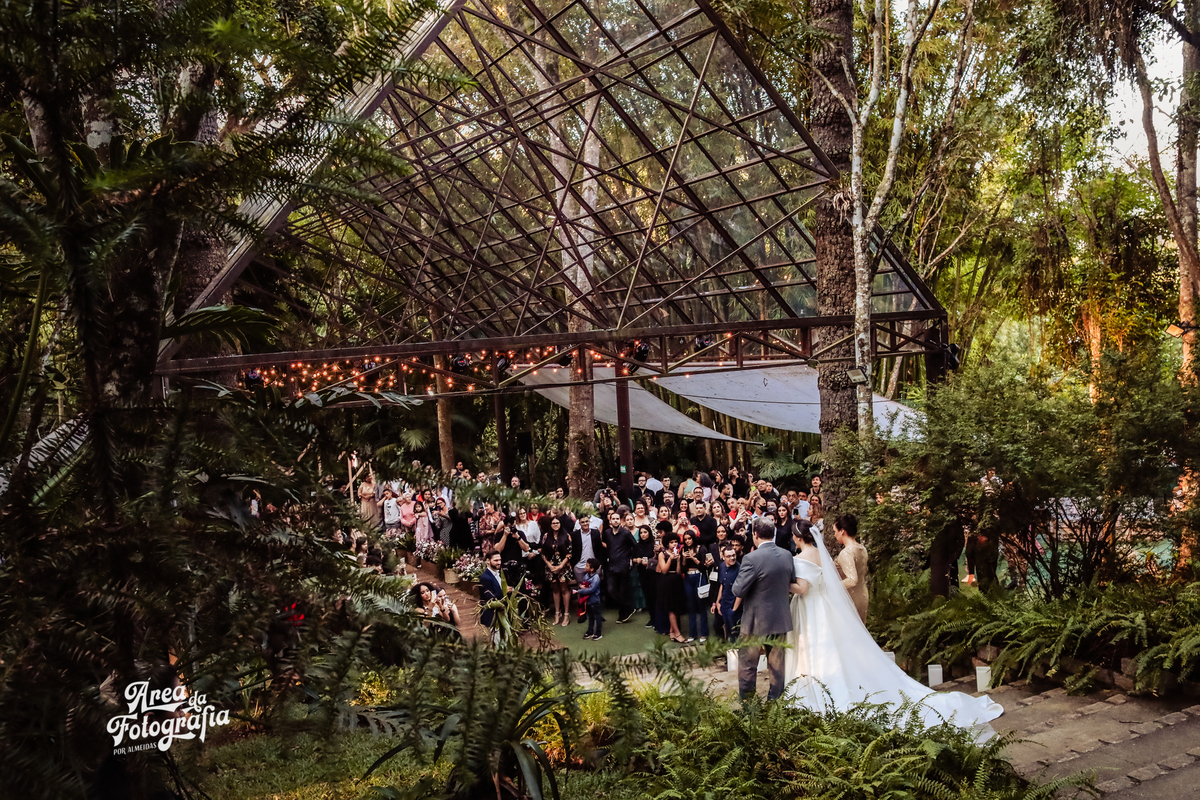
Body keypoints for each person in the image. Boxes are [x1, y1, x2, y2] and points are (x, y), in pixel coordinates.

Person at [783, 524, 1003, 739]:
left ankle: (818, 688)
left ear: (797, 537)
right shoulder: (824, 556)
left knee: (814, 646)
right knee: (834, 646)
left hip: (810, 606)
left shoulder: (799, 559)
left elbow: (803, 588)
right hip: (826, 606)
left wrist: (784, 584)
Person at [731, 518, 795, 702]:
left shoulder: (751, 558)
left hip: (755, 621)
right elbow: (790, 582)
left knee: (747, 665)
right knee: (777, 667)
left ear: (755, 534)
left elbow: (738, 590)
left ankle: (748, 705)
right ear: (773, 533)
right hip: (780, 618)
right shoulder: (786, 555)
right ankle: (775, 705)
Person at [834, 514, 869, 623]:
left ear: (842, 531)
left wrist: (832, 586)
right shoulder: (862, 548)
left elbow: (852, 579)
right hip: (863, 594)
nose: (835, 535)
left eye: (835, 531)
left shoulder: (846, 553)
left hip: (850, 597)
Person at [655, 530, 687, 642]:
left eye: (675, 542)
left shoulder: (678, 554)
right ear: (667, 543)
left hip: (677, 581)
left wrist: (678, 560)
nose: (674, 544)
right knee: (671, 609)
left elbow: (678, 572)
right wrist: (670, 559)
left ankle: (672, 632)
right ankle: (677, 633)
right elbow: (664, 570)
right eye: (671, 542)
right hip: (666, 582)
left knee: (676, 607)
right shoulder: (662, 554)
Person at [542, 517, 574, 626]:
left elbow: (569, 553)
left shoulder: (566, 536)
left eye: (557, 523)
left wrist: (561, 566)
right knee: (555, 589)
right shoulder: (546, 536)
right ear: (550, 525)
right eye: (553, 523)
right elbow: (543, 553)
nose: (555, 524)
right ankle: (557, 613)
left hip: (563, 566)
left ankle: (566, 614)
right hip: (551, 566)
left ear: (560, 524)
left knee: (564, 589)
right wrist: (549, 565)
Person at [680, 528, 710, 642]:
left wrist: (693, 558)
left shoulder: (701, 548)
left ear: (693, 538)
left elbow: (703, 567)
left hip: (699, 576)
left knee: (701, 605)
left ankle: (704, 633)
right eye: (685, 539)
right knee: (691, 605)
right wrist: (683, 558)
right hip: (688, 577)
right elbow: (683, 569)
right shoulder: (683, 550)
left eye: (689, 538)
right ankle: (692, 634)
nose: (687, 541)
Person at [712, 544, 742, 642]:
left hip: (734, 606)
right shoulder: (722, 566)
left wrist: (734, 610)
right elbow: (722, 585)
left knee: (735, 634)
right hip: (724, 604)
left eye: (733, 555)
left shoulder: (740, 569)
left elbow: (741, 591)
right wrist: (717, 602)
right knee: (725, 632)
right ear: (723, 557)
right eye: (729, 556)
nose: (732, 558)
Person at [479, 550, 505, 644]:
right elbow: (489, 597)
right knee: (497, 641)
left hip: (502, 612)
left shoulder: (500, 573)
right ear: (488, 561)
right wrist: (505, 591)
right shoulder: (485, 577)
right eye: (496, 560)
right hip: (492, 614)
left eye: (500, 560)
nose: (499, 562)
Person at [575, 558, 604, 640]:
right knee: (590, 617)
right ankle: (590, 631)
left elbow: (592, 589)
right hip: (588, 601)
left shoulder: (596, 578)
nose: (585, 567)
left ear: (592, 569)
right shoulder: (586, 576)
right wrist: (582, 586)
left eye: (587, 566)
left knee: (597, 617)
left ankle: (598, 633)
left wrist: (580, 590)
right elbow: (584, 583)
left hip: (595, 601)